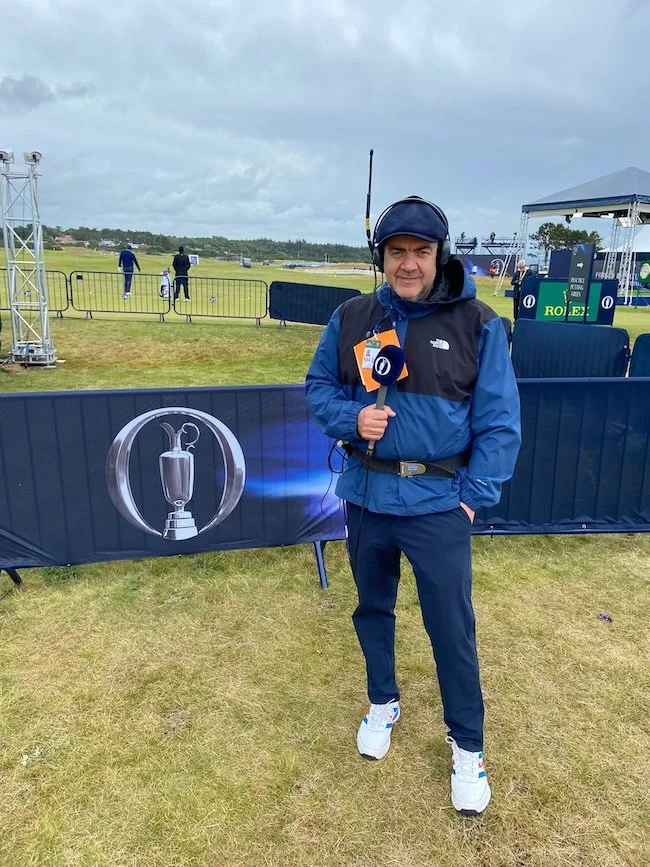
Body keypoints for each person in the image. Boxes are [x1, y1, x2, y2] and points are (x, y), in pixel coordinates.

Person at [306, 196, 521, 816]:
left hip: (438, 506)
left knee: (451, 628)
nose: (408, 264)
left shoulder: (478, 323)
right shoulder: (350, 318)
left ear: (439, 256)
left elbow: (501, 423)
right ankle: (382, 702)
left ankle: (468, 748)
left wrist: (472, 502)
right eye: (396, 251)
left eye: (420, 252)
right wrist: (353, 416)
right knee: (373, 608)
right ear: (382, 256)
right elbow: (318, 388)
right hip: (367, 497)